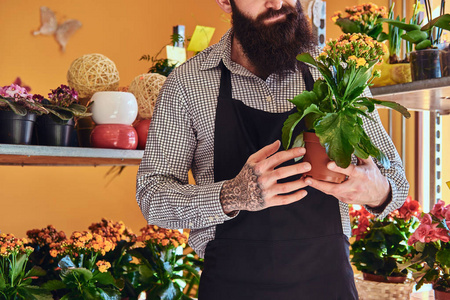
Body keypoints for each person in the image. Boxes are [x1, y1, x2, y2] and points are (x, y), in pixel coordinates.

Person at [136, 0, 409, 298]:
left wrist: (375, 189)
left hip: (328, 286)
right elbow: (152, 195)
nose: (277, 3)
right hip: (232, 287)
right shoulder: (188, 84)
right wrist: (232, 195)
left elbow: (396, 181)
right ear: (226, 2)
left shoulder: (336, 72)